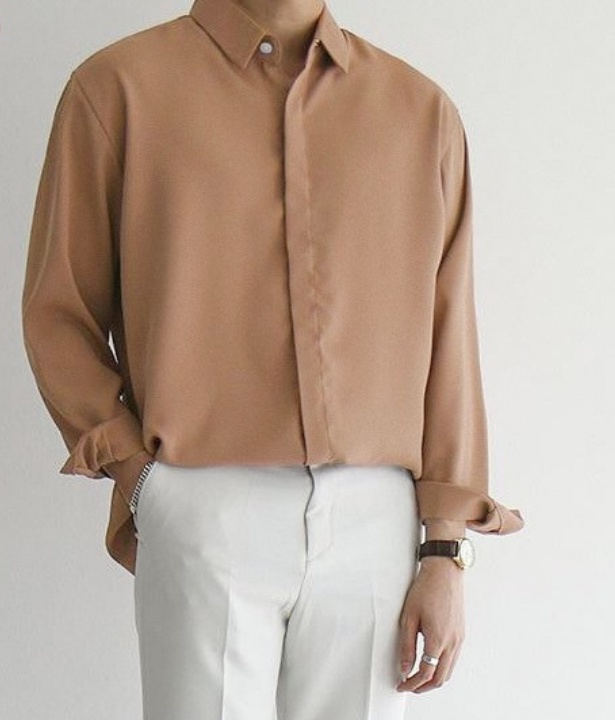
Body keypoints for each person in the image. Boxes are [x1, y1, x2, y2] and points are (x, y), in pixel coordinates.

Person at [21, 0, 525, 718]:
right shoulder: (118, 90)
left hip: (376, 522)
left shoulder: (420, 112)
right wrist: (141, 479)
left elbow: (450, 339)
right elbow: (58, 311)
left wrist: (444, 549)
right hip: (203, 504)